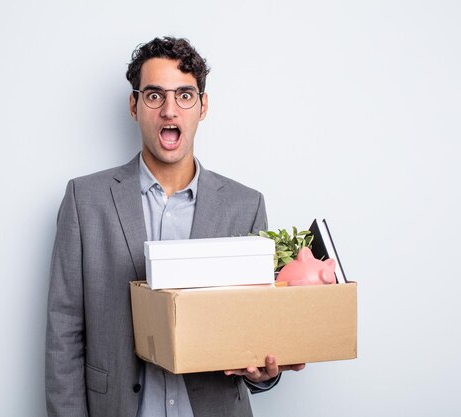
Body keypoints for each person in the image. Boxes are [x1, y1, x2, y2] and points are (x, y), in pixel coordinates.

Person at [45, 36, 305, 417]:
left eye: (185, 95)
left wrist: (264, 371)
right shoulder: (85, 200)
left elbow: (256, 330)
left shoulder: (245, 206)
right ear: (134, 106)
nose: (170, 110)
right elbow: (63, 332)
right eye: (154, 96)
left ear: (203, 106)